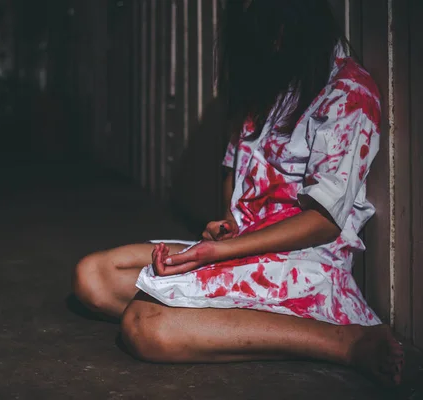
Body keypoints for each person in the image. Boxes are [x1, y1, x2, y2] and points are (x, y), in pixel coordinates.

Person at [72, 0, 403, 387]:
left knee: (145, 326)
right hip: (244, 247)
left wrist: (216, 254)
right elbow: (235, 171)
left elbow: (324, 223)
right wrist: (227, 224)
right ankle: (220, 319)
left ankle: (345, 342)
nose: (267, 46)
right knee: (92, 277)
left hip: (303, 263)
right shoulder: (268, 87)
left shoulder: (348, 91)